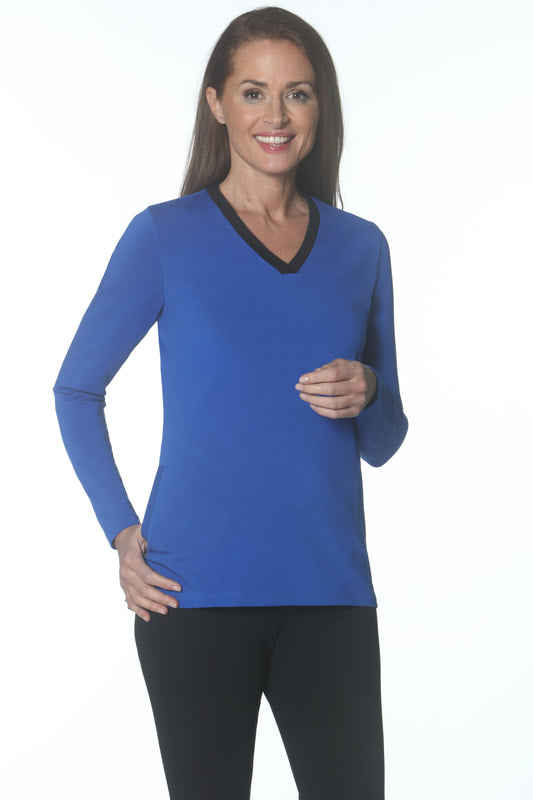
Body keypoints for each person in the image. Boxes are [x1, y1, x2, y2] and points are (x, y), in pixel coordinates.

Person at [53, 7, 408, 799]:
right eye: (253, 92)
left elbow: (383, 441)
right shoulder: (164, 237)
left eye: (297, 94)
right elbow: (76, 389)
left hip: (330, 595)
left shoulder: (360, 247)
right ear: (216, 103)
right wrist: (121, 531)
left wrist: (370, 390)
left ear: (320, 107)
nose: (275, 116)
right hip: (192, 599)